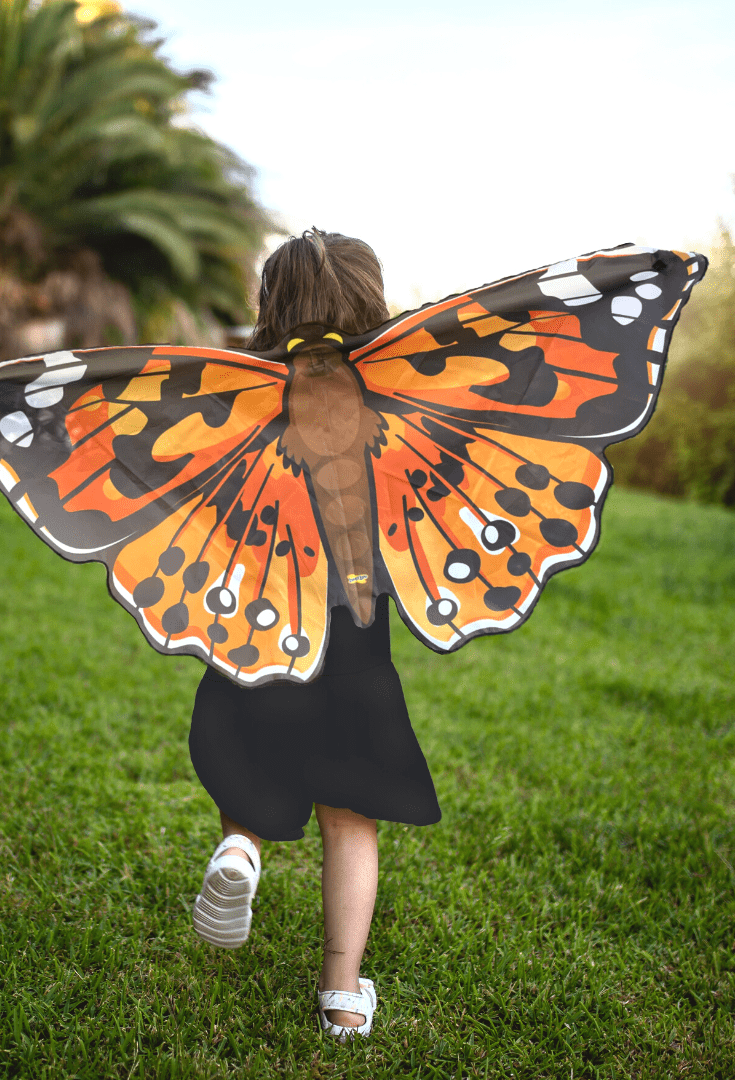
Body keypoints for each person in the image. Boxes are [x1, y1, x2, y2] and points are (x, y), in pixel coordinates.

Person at [188, 229, 442, 1042]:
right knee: (351, 814)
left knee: (250, 762)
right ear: (373, 305)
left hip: (262, 627)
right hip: (359, 637)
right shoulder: (398, 407)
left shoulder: (246, 404)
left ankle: (240, 851)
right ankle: (340, 994)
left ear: (270, 308)